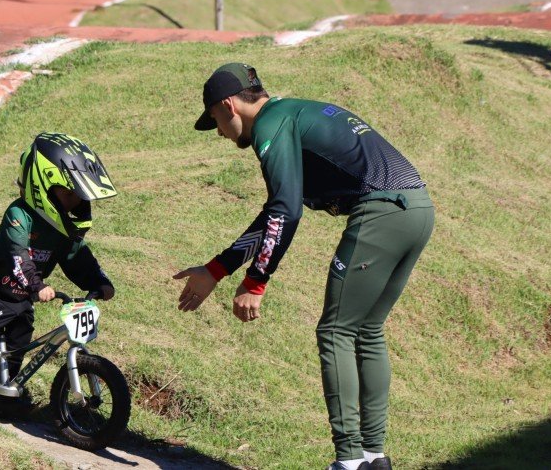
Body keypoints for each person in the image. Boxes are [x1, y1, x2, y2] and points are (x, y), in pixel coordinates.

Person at [173, 63, 434, 470]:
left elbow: (284, 210)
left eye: (216, 123)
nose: (222, 135)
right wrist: (217, 269)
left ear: (228, 106)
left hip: (381, 210)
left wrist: (255, 282)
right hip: (417, 208)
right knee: (366, 330)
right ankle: (373, 456)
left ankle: (349, 461)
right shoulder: (291, 112)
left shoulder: (269, 126)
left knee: (335, 331)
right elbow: (274, 214)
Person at [0, 132, 118, 416]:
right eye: (68, 193)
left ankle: (2, 395)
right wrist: (37, 285)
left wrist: (99, 282)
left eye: (77, 197)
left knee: (20, 342)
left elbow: (77, 257)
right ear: (43, 187)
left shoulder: (62, 229)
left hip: (21, 297)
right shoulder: (19, 214)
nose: (73, 202)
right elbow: (17, 255)